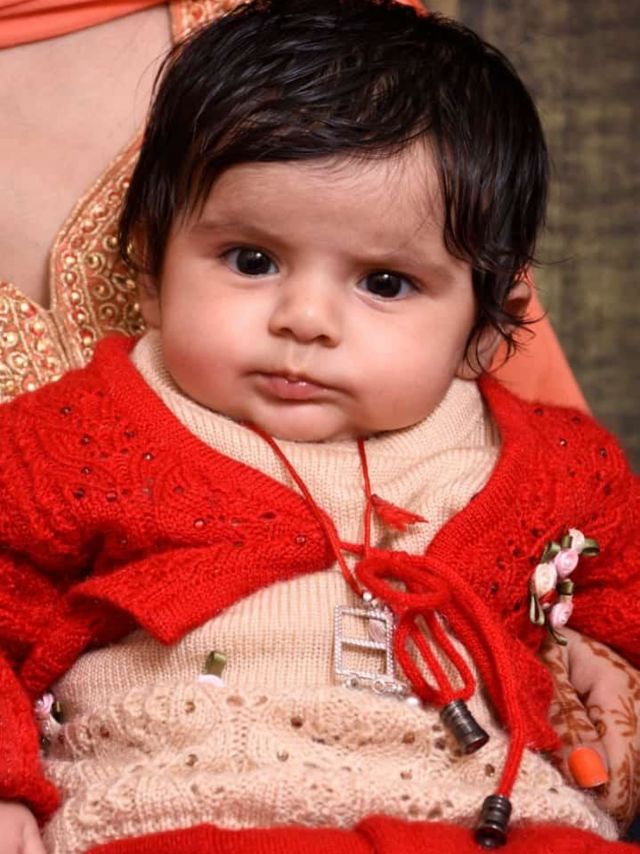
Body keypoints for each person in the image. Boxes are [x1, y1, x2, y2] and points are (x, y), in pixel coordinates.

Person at [0, 1, 638, 852]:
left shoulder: (556, 466)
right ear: (151, 271)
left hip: (493, 818)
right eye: (252, 261)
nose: (305, 318)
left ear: (488, 329)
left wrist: (604, 659)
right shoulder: (82, 438)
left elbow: (619, 595)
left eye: (384, 282)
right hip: (191, 808)